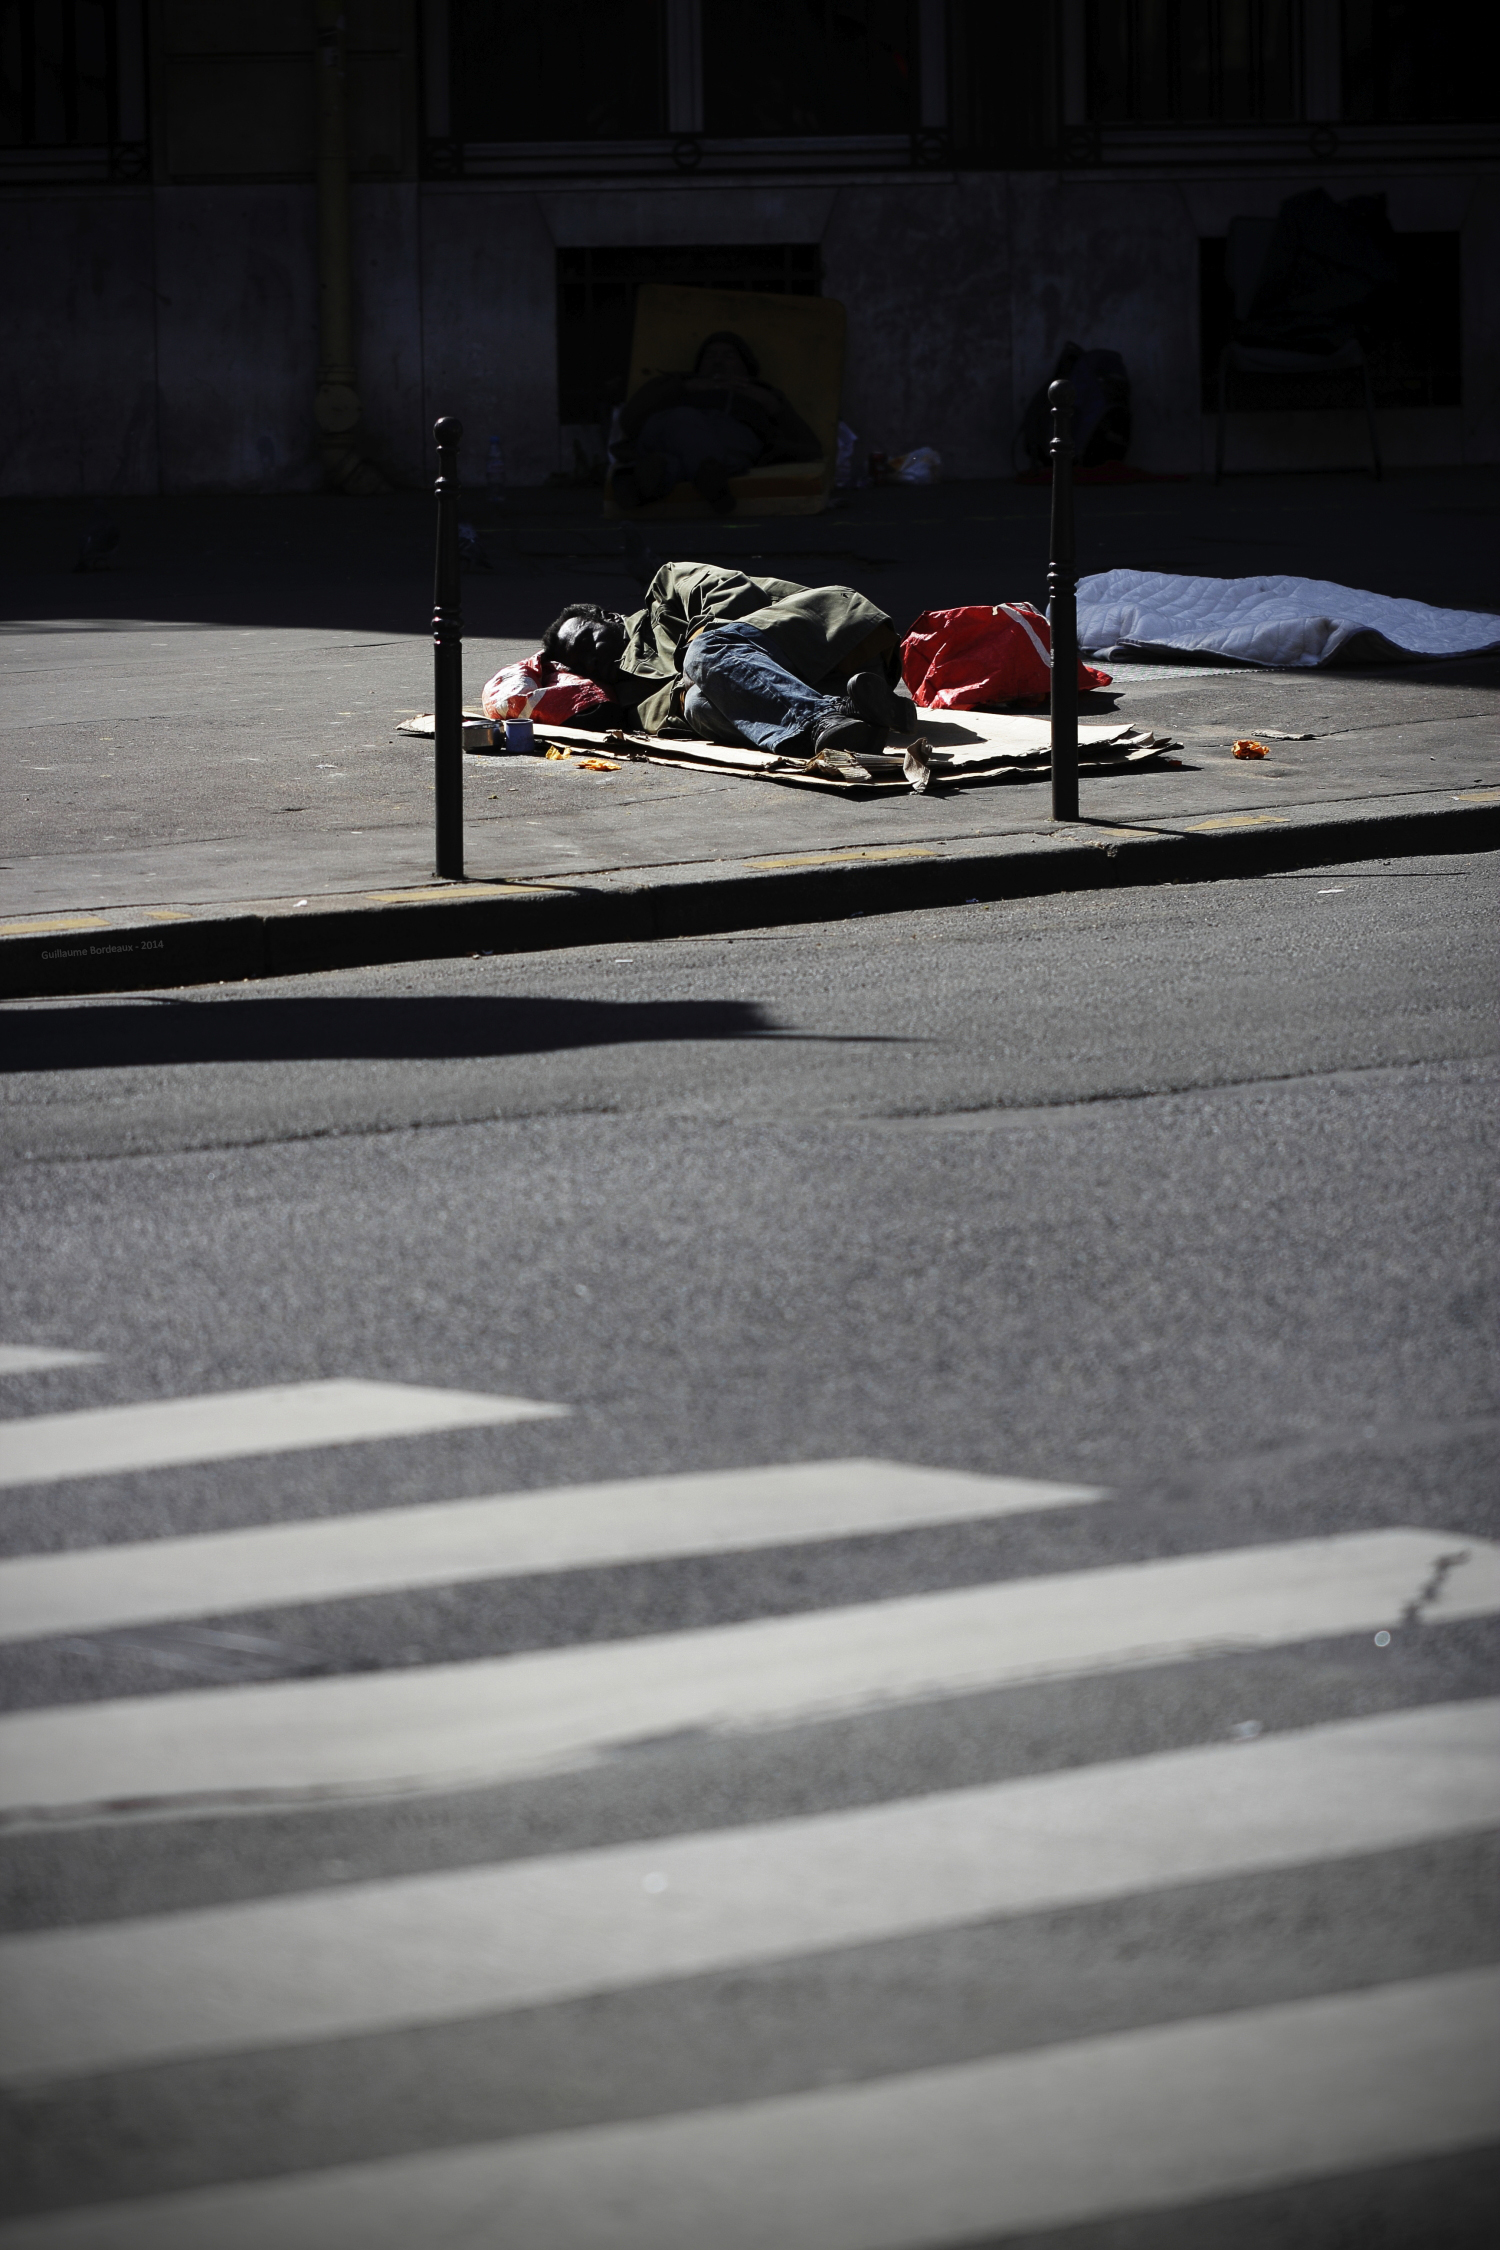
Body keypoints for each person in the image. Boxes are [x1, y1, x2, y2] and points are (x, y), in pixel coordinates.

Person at [541, 561, 914, 759]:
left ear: (607, 617)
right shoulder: (630, 699)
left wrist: (695, 660)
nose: (592, 661)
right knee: (699, 705)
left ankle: (820, 720)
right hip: (843, 685)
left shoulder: (665, 589)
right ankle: (853, 717)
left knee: (705, 651)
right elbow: (677, 713)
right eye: (582, 665)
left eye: (587, 642)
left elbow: (735, 594)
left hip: (831, 638)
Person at [611, 332, 823, 515]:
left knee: (697, 459)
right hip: (674, 429)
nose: (718, 361)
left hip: (732, 438)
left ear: (746, 366)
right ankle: (715, 489)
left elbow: (808, 446)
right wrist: (686, 388)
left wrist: (772, 405)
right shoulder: (678, 384)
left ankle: (647, 480)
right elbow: (630, 420)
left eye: (729, 356)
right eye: (710, 356)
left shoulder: (763, 394)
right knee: (687, 421)